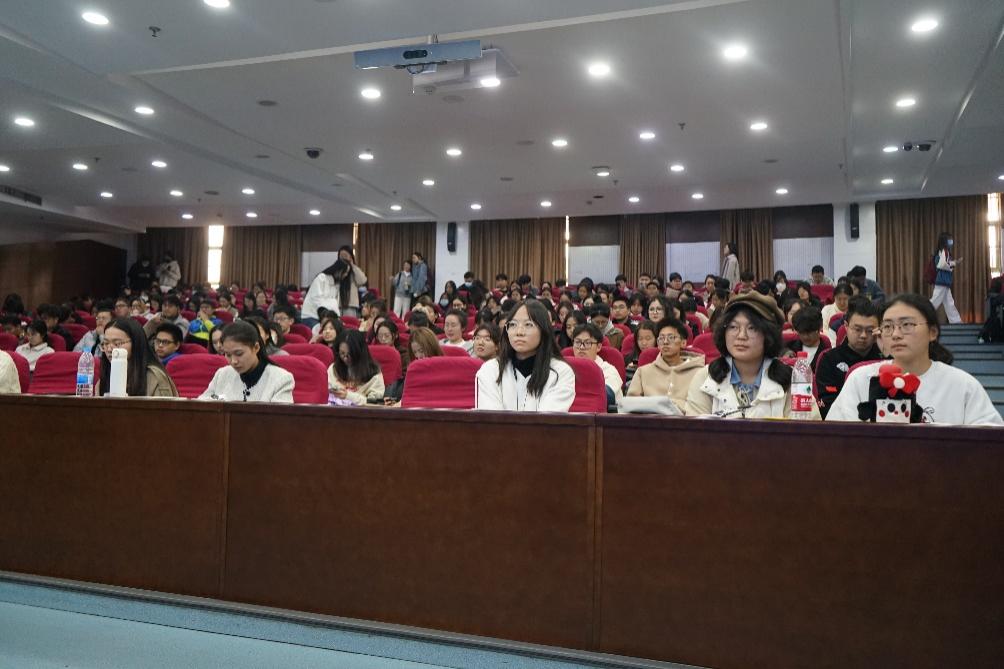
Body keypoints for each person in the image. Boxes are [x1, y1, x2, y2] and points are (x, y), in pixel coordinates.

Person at [827, 294, 1001, 425]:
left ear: (932, 332)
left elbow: (989, 445)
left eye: (907, 325)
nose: (895, 334)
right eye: (887, 326)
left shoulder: (962, 386)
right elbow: (836, 439)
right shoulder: (861, 379)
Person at [685, 291, 820, 419]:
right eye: (733, 327)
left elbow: (807, 432)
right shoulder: (705, 378)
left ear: (768, 335)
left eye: (752, 328)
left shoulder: (793, 382)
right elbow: (695, 433)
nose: (741, 336)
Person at [476, 300, 575, 412]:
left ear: (543, 330)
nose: (519, 332)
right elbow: (491, 419)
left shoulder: (561, 372)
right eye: (513, 324)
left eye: (528, 324)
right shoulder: (491, 369)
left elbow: (547, 420)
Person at [814, 297, 884, 418]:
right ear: (846, 326)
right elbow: (826, 405)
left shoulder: (886, 359)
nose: (863, 335)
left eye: (870, 330)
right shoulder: (829, 359)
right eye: (857, 329)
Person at [200, 321, 294, 403]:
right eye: (228, 355)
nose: (233, 361)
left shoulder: (281, 379)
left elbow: (280, 417)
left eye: (239, 354)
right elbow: (202, 405)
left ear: (256, 348)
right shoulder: (222, 374)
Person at [626, 317, 706, 411]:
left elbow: (700, 409)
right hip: (650, 419)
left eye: (671, 338)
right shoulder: (643, 372)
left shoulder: (699, 372)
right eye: (661, 338)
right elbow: (630, 405)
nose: (665, 342)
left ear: (683, 343)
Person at [97, 318, 178, 397]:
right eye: (106, 343)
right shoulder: (105, 376)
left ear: (136, 344)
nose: (109, 349)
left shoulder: (154, 377)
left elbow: (164, 406)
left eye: (117, 343)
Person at [327, 330, 384, 405]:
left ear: (360, 352)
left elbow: (375, 403)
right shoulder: (334, 368)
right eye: (342, 353)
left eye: (350, 354)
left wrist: (348, 396)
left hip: (361, 411)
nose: (345, 358)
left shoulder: (374, 374)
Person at [571, 322, 623, 405]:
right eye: (577, 342)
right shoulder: (565, 368)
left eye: (587, 343)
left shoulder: (608, 370)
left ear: (598, 347)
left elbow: (607, 395)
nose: (581, 347)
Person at [301, 259, 355, 326]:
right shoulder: (322, 278)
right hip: (311, 316)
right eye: (345, 272)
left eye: (347, 273)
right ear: (338, 270)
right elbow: (317, 300)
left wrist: (337, 318)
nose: (346, 275)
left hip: (326, 317)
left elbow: (334, 304)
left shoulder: (337, 284)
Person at [930, 232, 963, 324]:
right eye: (949, 240)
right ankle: (921, 315)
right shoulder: (944, 251)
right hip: (942, 281)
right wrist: (954, 263)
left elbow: (943, 263)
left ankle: (956, 321)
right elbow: (942, 265)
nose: (951, 241)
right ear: (945, 241)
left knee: (949, 303)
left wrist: (954, 263)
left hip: (944, 281)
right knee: (934, 302)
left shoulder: (942, 251)